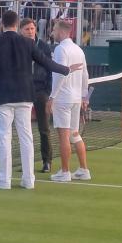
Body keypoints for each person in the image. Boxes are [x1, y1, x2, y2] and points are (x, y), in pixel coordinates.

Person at [0, 10, 78, 190]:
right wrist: (66, 70)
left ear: (2, 25)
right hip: (25, 96)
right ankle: (28, 179)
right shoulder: (28, 43)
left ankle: (4, 179)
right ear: (17, 25)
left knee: (4, 137)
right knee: (26, 137)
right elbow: (47, 62)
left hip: (2, 97)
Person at [48, 19, 90, 183]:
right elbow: (85, 75)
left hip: (63, 99)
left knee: (64, 137)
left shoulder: (60, 49)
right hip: (75, 99)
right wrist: (84, 96)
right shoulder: (79, 49)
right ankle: (83, 170)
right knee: (74, 134)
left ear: (62, 32)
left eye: (54, 29)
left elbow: (60, 75)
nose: (52, 32)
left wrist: (52, 97)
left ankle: (65, 172)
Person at [20, 17, 54, 173]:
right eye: (27, 29)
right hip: (23, 92)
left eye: (32, 28)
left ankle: (47, 162)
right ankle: (25, 163)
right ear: (21, 31)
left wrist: (48, 92)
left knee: (44, 128)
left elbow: (50, 70)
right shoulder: (17, 47)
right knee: (23, 130)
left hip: (41, 92)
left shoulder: (44, 47)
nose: (30, 31)